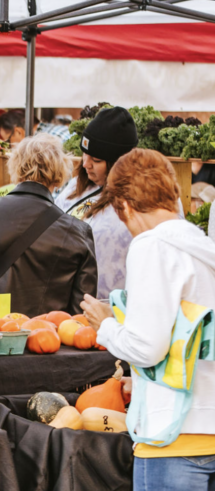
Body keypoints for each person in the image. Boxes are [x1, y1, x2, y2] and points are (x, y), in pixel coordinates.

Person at [80, 149, 215, 490]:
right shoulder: (203, 247)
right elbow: (190, 342)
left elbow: (148, 347)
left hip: (172, 438)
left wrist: (106, 326)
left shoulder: (151, 246)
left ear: (124, 204)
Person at [0, 134, 97, 316]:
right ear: (60, 173)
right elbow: (81, 312)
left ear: (15, 166)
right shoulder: (78, 231)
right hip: (48, 337)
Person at [55, 106, 139, 299]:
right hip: (67, 301)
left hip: (112, 306)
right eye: (85, 154)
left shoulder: (137, 201)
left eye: (97, 160)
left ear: (118, 162)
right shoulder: (77, 186)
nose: (86, 164)